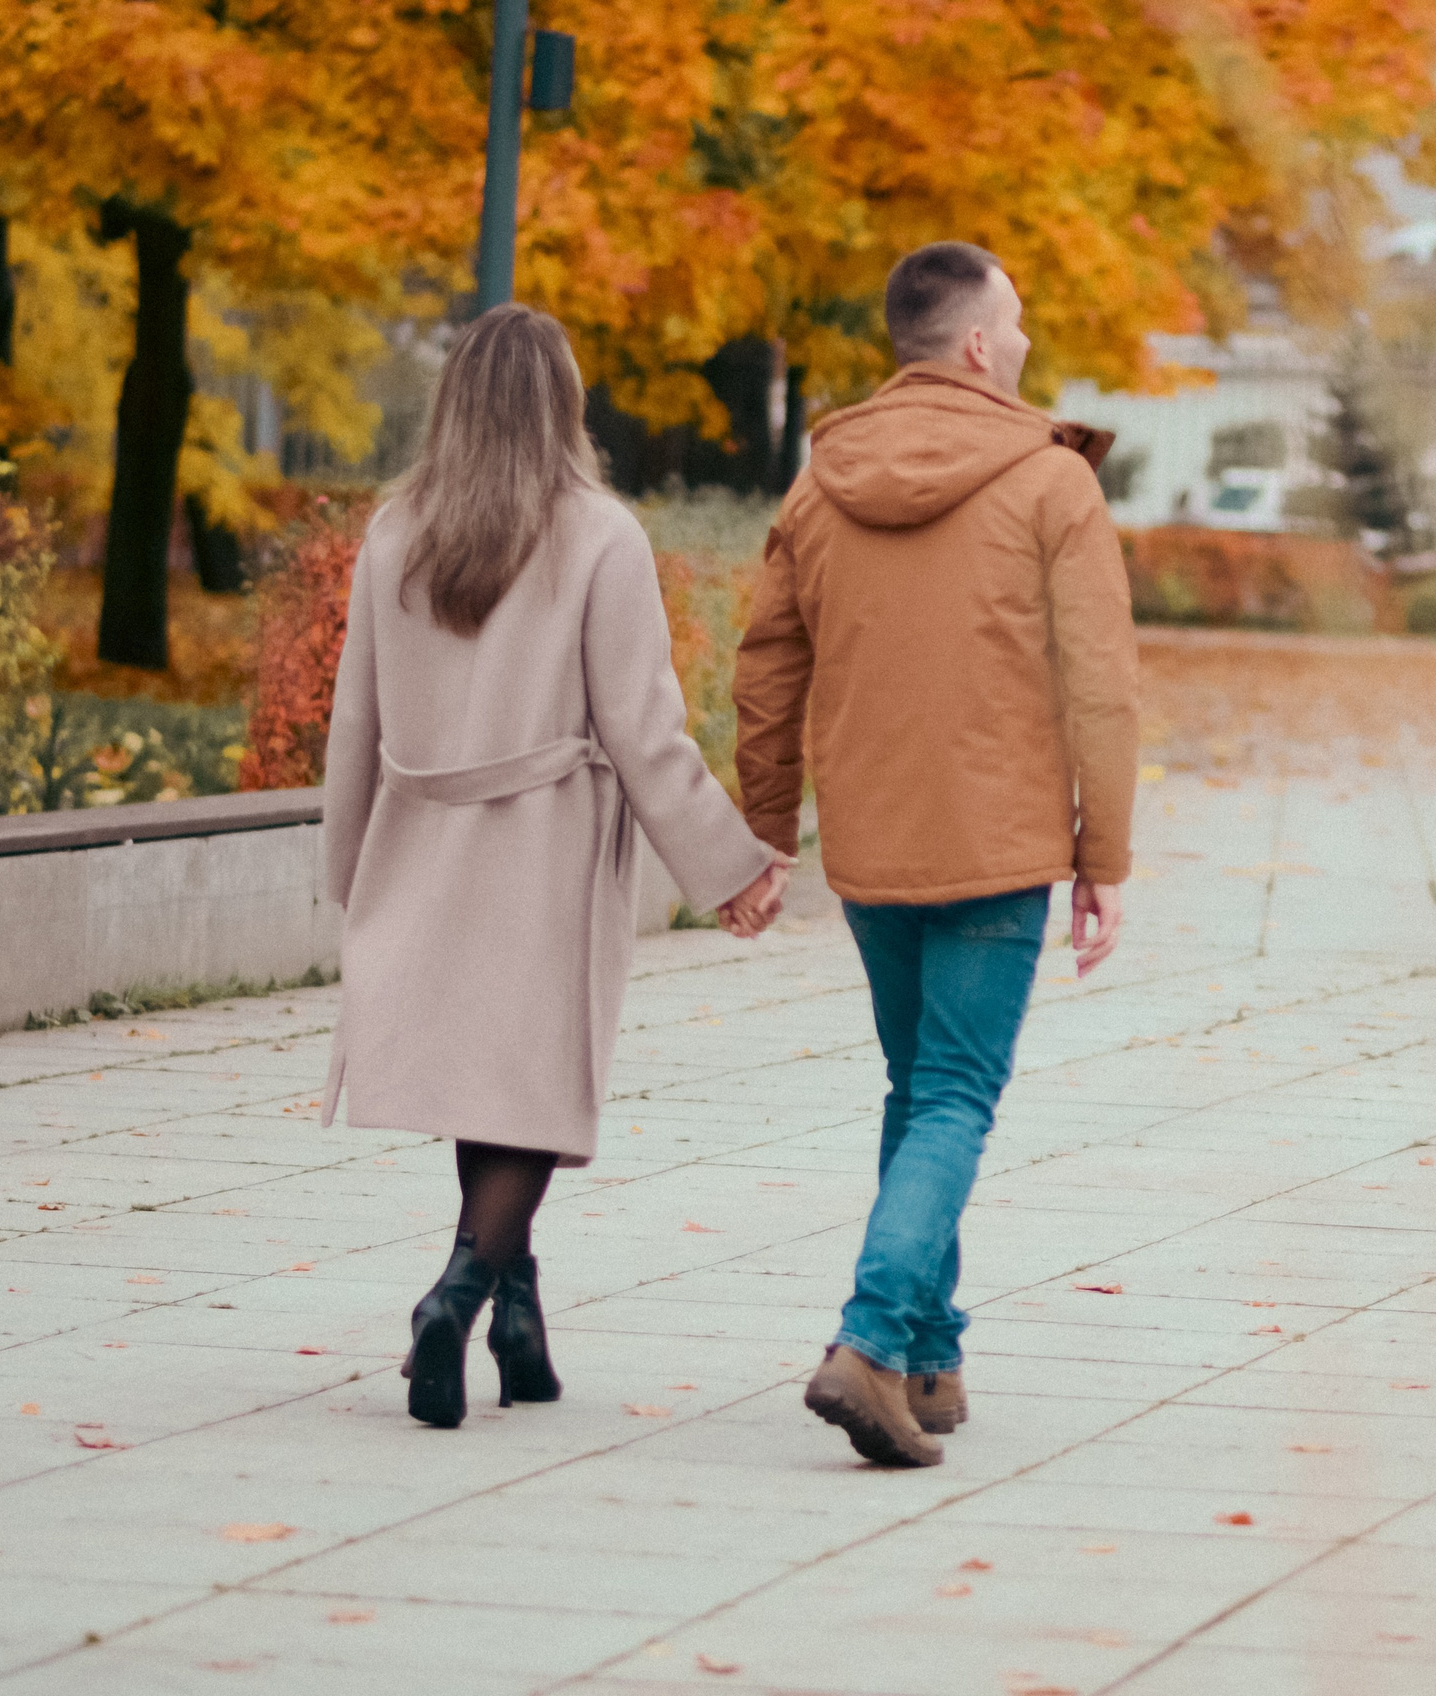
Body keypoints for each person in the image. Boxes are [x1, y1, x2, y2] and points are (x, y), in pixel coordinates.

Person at [319, 303, 792, 1430]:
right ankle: (458, 1292)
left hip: (424, 837)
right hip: (542, 843)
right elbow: (643, 725)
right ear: (564, 404)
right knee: (529, 1076)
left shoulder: (397, 531)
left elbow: (353, 715)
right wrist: (727, 864)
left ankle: (517, 1316)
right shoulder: (599, 535)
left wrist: (349, 870)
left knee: (490, 1076)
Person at [734, 243, 1139, 1467]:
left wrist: (767, 826)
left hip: (871, 844)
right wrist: (1102, 854)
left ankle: (930, 1354)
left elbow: (765, 668)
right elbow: (1101, 684)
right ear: (975, 345)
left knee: (919, 1094)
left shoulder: (818, 484)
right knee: (956, 1096)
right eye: (1011, 323)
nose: (1020, 343)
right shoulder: (1049, 483)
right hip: (996, 842)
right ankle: (866, 1341)